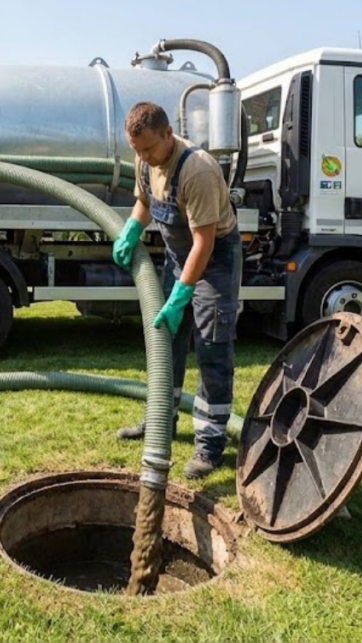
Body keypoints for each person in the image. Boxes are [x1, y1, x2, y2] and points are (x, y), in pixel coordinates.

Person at [112, 101, 241, 480]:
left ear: (168, 133)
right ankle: (159, 423)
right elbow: (144, 202)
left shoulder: (197, 170)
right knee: (166, 342)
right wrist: (131, 229)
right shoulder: (144, 159)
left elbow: (203, 243)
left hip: (214, 261)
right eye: (137, 150)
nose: (144, 157)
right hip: (177, 258)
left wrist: (182, 294)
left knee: (211, 347)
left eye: (150, 148)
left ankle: (210, 443)